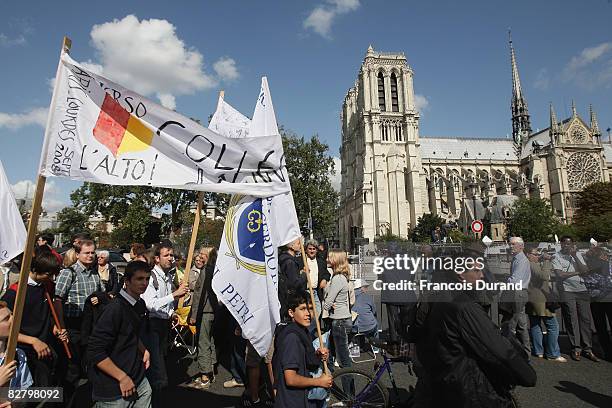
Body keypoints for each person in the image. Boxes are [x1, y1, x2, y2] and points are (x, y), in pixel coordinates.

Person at [411, 253, 537, 407]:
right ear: (460, 274)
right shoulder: (465, 306)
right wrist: (526, 373)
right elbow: (494, 344)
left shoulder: (440, 296)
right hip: (467, 386)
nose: (482, 275)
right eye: (477, 271)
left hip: (445, 378)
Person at [87, 261, 152, 407]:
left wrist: (143, 349)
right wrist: (122, 378)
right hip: (114, 388)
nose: (145, 283)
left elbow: (130, 333)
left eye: (147, 278)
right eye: (139, 279)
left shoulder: (139, 304)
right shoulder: (115, 308)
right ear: (127, 281)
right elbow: (95, 351)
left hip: (139, 379)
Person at [3, 250, 69, 386]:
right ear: (34, 269)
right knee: (30, 396)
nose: (51, 278)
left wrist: (55, 328)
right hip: (25, 354)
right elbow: (4, 330)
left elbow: (46, 315)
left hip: (45, 349)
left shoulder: (47, 286)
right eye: (48, 274)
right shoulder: (14, 294)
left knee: (49, 392)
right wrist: (33, 341)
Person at [141, 241, 188, 404]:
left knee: (159, 363)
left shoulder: (168, 276)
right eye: (166, 255)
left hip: (163, 326)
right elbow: (150, 304)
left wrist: (171, 314)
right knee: (156, 368)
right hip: (151, 326)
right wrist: (174, 294)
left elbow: (165, 304)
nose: (171, 258)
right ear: (156, 259)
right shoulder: (151, 276)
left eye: (172, 255)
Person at [54, 239, 105, 388]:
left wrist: (98, 299)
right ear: (77, 254)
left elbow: (103, 294)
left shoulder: (95, 273)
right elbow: (57, 300)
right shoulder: (68, 273)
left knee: (86, 364)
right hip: (72, 325)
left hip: (89, 326)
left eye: (92, 252)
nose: (90, 255)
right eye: (86, 253)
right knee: (72, 368)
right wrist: (62, 327)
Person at [273, 291, 332, 408]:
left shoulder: (303, 332)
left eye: (310, 308)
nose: (308, 313)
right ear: (291, 313)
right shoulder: (292, 338)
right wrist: (319, 381)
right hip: (293, 401)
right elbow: (290, 379)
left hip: (303, 399)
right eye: (303, 309)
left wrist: (317, 355)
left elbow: (302, 361)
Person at [553, 236, 598, 362]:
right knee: (571, 319)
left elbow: (586, 271)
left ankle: (587, 348)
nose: (567, 246)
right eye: (565, 244)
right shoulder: (557, 256)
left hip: (582, 290)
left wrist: (575, 257)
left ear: (573, 244)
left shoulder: (578, 254)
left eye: (569, 244)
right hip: (568, 291)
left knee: (585, 319)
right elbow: (560, 274)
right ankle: (576, 347)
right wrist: (577, 273)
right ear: (561, 244)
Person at [525, 247, 566, 362]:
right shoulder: (531, 264)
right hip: (540, 298)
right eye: (535, 254)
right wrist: (547, 261)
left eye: (539, 254)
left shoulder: (527, 263)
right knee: (553, 326)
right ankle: (553, 353)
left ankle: (539, 351)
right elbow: (543, 276)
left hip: (531, 297)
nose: (538, 256)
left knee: (535, 325)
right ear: (528, 254)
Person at [187, 248, 219, 389]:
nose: (199, 257)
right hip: (214, 311)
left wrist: (194, 315)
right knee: (210, 340)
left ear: (207, 257)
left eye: (202, 255)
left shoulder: (206, 271)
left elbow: (200, 294)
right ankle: (211, 370)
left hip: (205, 311)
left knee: (203, 343)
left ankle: (205, 377)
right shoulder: (217, 270)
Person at [323, 249, 353, 374]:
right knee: (337, 354)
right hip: (342, 318)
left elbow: (329, 301)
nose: (326, 260)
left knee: (343, 359)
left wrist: (326, 305)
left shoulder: (337, 278)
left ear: (336, 260)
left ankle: (349, 393)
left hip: (339, 320)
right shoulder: (341, 277)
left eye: (329, 257)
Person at [501, 236, 531, 357]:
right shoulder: (517, 259)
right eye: (510, 244)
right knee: (521, 325)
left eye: (513, 244)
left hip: (517, 293)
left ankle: (510, 354)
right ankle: (525, 353)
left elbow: (515, 280)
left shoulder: (521, 260)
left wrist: (503, 283)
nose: (510, 246)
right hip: (519, 292)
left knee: (510, 324)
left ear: (521, 246)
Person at [584, 246, 612, 360]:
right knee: (602, 327)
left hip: (597, 299)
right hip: (605, 298)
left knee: (601, 328)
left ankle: (607, 352)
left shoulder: (589, 266)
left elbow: (588, 283)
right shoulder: (605, 265)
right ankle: (607, 352)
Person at [0, 302, 33, 389]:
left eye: (12, 315)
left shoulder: (18, 354)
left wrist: (15, 402)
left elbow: (23, 392)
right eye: (6, 318)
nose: (13, 320)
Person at [301, 239, 331, 337]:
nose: (312, 251)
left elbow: (326, 273)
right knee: (306, 313)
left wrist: (324, 279)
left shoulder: (321, 262)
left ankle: (308, 331)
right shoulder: (301, 261)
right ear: (306, 250)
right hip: (305, 292)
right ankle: (307, 332)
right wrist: (302, 272)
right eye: (310, 249)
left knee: (318, 312)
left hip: (315, 291)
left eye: (314, 249)